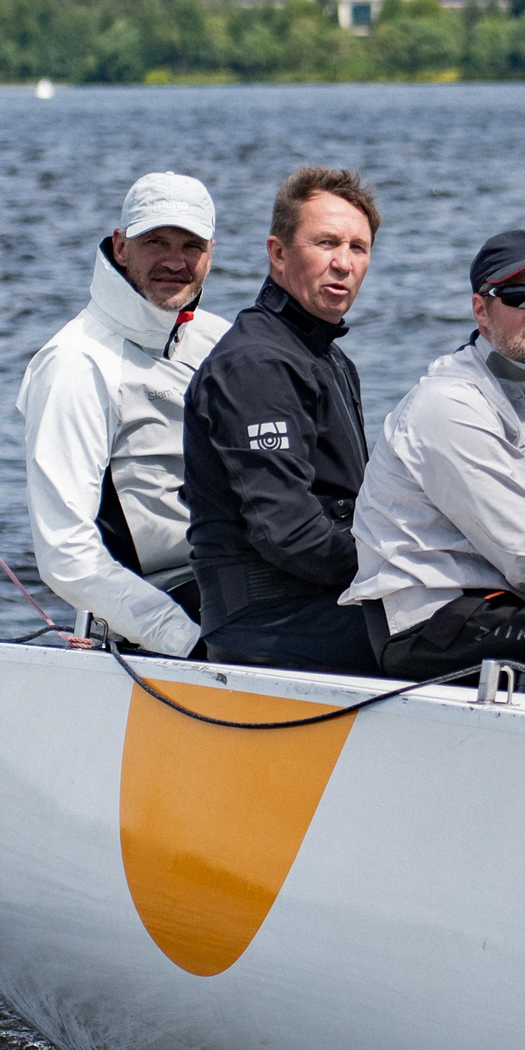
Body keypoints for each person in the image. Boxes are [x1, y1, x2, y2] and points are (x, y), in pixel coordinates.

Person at [342, 230, 525, 679]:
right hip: (429, 623)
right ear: (480, 310)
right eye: (520, 295)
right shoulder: (450, 403)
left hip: (501, 606)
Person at [16, 173, 229, 656]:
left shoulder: (222, 340)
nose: (174, 261)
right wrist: (185, 642)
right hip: (169, 622)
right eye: (155, 241)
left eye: (190, 245)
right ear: (120, 246)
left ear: (210, 253)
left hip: (242, 589)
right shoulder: (76, 362)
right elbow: (65, 553)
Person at [183, 165, 383, 673]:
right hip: (267, 621)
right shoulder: (256, 363)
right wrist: (397, 568)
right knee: (490, 644)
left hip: (322, 600)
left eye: (358, 248)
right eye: (326, 243)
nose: (343, 263)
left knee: (484, 616)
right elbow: (287, 533)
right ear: (277, 253)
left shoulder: (330, 359)